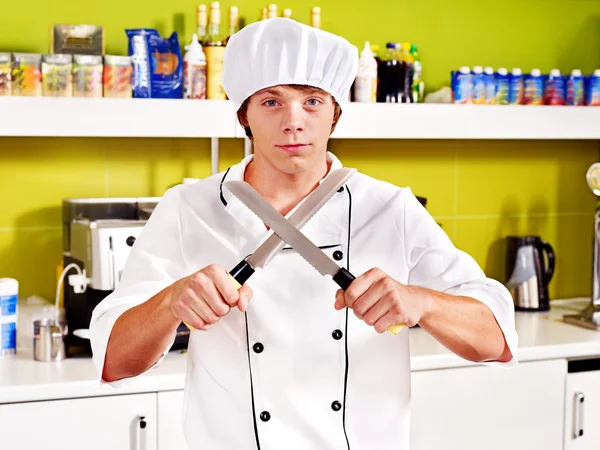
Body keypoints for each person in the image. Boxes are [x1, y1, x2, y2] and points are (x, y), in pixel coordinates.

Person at [90, 18, 518, 450]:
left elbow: (495, 341)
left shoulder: (391, 209)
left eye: (312, 101)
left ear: (335, 113)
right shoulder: (188, 208)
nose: (293, 122)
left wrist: (421, 302)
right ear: (244, 115)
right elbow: (113, 362)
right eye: (271, 102)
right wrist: (170, 303)